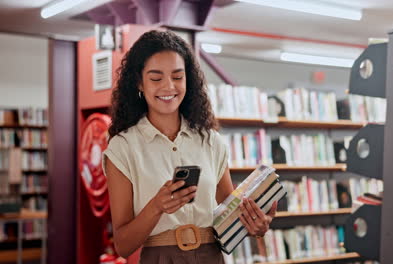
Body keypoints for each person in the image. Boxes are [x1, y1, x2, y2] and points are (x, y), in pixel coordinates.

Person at [102, 30, 277, 263]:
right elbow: (123, 245)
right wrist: (156, 206)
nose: (169, 86)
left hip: (210, 256)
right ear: (139, 83)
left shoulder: (210, 141)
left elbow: (230, 216)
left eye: (177, 76)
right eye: (156, 78)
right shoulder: (123, 147)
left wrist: (256, 225)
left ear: (188, 80)